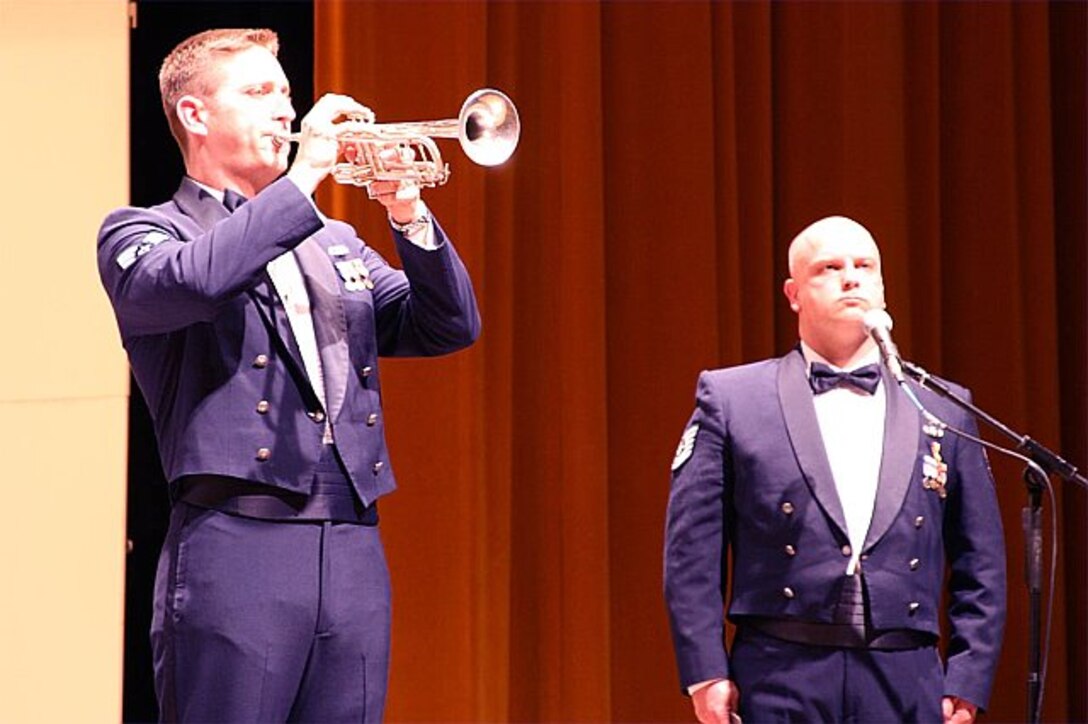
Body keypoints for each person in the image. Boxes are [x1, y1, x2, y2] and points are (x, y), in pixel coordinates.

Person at [97, 28, 481, 721]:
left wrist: (406, 209)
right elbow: (198, 281)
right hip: (236, 543)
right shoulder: (143, 233)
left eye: (285, 92)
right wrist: (305, 180)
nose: (284, 111)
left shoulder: (334, 241)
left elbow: (446, 325)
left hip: (354, 544)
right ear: (194, 115)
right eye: (258, 92)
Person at [663, 216, 1006, 724]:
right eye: (829, 267)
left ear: (883, 286)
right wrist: (705, 672)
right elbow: (692, 552)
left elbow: (982, 560)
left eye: (865, 266)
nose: (851, 278)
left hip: (906, 674)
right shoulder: (733, 399)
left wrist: (968, 677)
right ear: (794, 292)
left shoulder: (943, 405)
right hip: (780, 671)